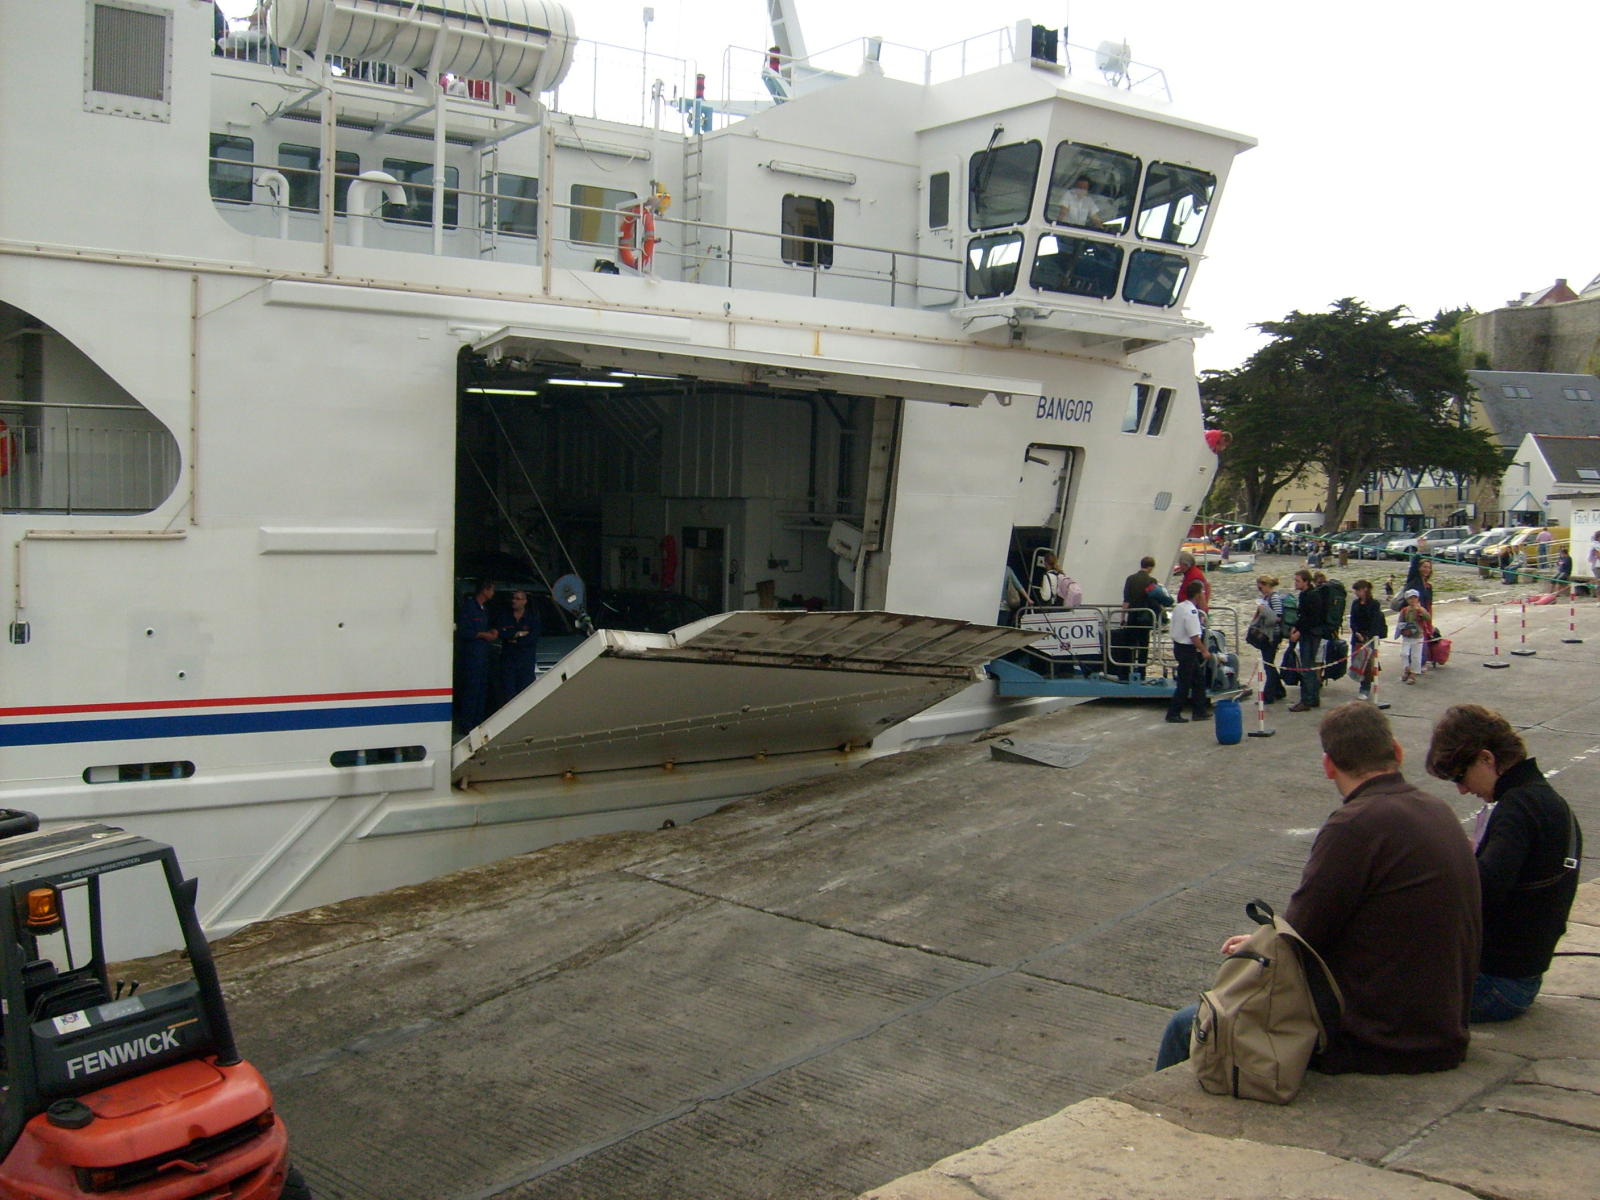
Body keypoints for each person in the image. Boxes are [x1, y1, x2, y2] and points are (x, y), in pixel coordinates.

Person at [1157, 703, 1480, 1074]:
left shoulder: (1354, 825)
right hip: (1441, 1027)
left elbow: (1300, 940)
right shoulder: (1437, 810)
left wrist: (1256, 945)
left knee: (1187, 1025)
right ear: (1397, 751)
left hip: (1382, 1039)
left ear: (1329, 766)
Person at [1426, 705, 1583, 1022]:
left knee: (1374, 992)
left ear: (1486, 759)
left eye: (1461, 775)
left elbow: (1481, 891)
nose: (1462, 788)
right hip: (1520, 977)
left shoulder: (1517, 809)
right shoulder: (1543, 799)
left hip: (1497, 984)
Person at [453, 579, 498, 735]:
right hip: (471, 656)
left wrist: (492, 632)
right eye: (491, 589)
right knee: (471, 691)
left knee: (481, 690)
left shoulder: (484, 609)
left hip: (483, 656)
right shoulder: (469, 608)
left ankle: (477, 722)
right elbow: (463, 631)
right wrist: (481, 634)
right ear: (485, 590)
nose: (493, 593)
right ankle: (466, 724)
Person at [1164, 580, 1211, 724]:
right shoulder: (1191, 612)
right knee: (1185, 683)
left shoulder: (1179, 607)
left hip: (1178, 646)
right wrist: (1204, 650)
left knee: (1198, 680)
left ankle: (1199, 710)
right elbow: (1194, 636)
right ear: (1198, 595)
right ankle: (1173, 712)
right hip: (1187, 649)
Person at [1120, 555, 1172, 675]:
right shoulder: (1151, 581)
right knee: (1143, 646)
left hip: (1132, 617)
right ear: (1150, 568)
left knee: (1129, 645)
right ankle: (1141, 672)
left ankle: (1127, 671)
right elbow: (1156, 600)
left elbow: (1126, 601)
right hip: (1145, 618)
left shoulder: (1130, 579)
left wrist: (1123, 618)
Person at [1287, 569, 1329, 711]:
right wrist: (1296, 627)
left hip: (1311, 634)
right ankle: (1312, 698)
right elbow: (1304, 616)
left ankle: (1307, 700)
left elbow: (1311, 618)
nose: (1295, 583)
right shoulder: (1307, 594)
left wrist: (1299, 632)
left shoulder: (1311, 596)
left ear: (1306, 581)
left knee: (1307, 667)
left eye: (1298, 581)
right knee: (1309, 666)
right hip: (1310, 632)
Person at [497, 589, 541, 705]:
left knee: (525, 694)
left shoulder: (532, 618)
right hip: (508, 662)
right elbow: (501, 634)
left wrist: (514, 640)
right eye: (513, 598)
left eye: (518, 598)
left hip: (525, 663)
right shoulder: (505, 617)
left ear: (525, 601)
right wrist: (517, 634)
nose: (514, 601)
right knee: (508, 695)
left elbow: (532, 638)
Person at [1348, 579, 1386, 701]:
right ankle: (1365, 682)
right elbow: (1352, 620)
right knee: (1357, 662)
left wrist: (1369, 636)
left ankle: (1365, 687)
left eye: (1358, 590)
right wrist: (1356, 632)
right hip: (1357, 636)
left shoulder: (1374, 604)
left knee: (1368, 665)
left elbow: (1375, 621)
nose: (1356, 593)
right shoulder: (1355, 603)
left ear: (1365, 589)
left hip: (1370, 637)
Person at [1253, 574, 1287, 703]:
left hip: (1273, 635)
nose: (1260, 590)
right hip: (1268, 634)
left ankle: (1269, 694)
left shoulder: (1274, 598)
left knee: (1268, 664)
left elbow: (1278, 617)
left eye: (1261, 588)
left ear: (1267, 586)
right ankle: (1278, 690)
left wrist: (1264, 611)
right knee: (1268, 663)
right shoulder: (1267, 597)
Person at [1396, 589, 1428, 684]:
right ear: (1407, 600)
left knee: (1416, 656)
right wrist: (1403, 630)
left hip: (1418, 636)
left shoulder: (1421, 609)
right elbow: (1400, 622)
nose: (1413, 600)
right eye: (1410, 598)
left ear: (1418, 599)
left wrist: (1421, 611)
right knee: (1404, 653)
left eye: (1415, 598)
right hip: (1407, 636)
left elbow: (1428, 618)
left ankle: (1413, 674)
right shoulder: (1405, 610)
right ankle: (1407, 669)